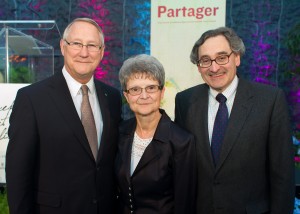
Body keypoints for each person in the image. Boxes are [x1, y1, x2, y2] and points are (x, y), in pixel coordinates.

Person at [6, 18, 122, 214]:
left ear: (102, 52)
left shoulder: (111, 97)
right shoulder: (32, 99)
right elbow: (18, 173)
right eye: (76, 43)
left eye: (92, 45)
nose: (84, 53)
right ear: (63, 46)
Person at [175, 27, 295, 214]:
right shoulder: (185, 101)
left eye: (222, 57)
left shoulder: (270, 101)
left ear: (237, 57)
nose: (214, 67)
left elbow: (283, 176)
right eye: (205, 60)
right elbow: (182, 169)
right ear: (198, 66)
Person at [115, 54, 197, 213]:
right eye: (135, 89)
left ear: (162, 91)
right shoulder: (120, 132)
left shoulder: (181, 141)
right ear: (126, 95)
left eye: (151, 88)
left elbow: (185, 204)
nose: (144, 96)